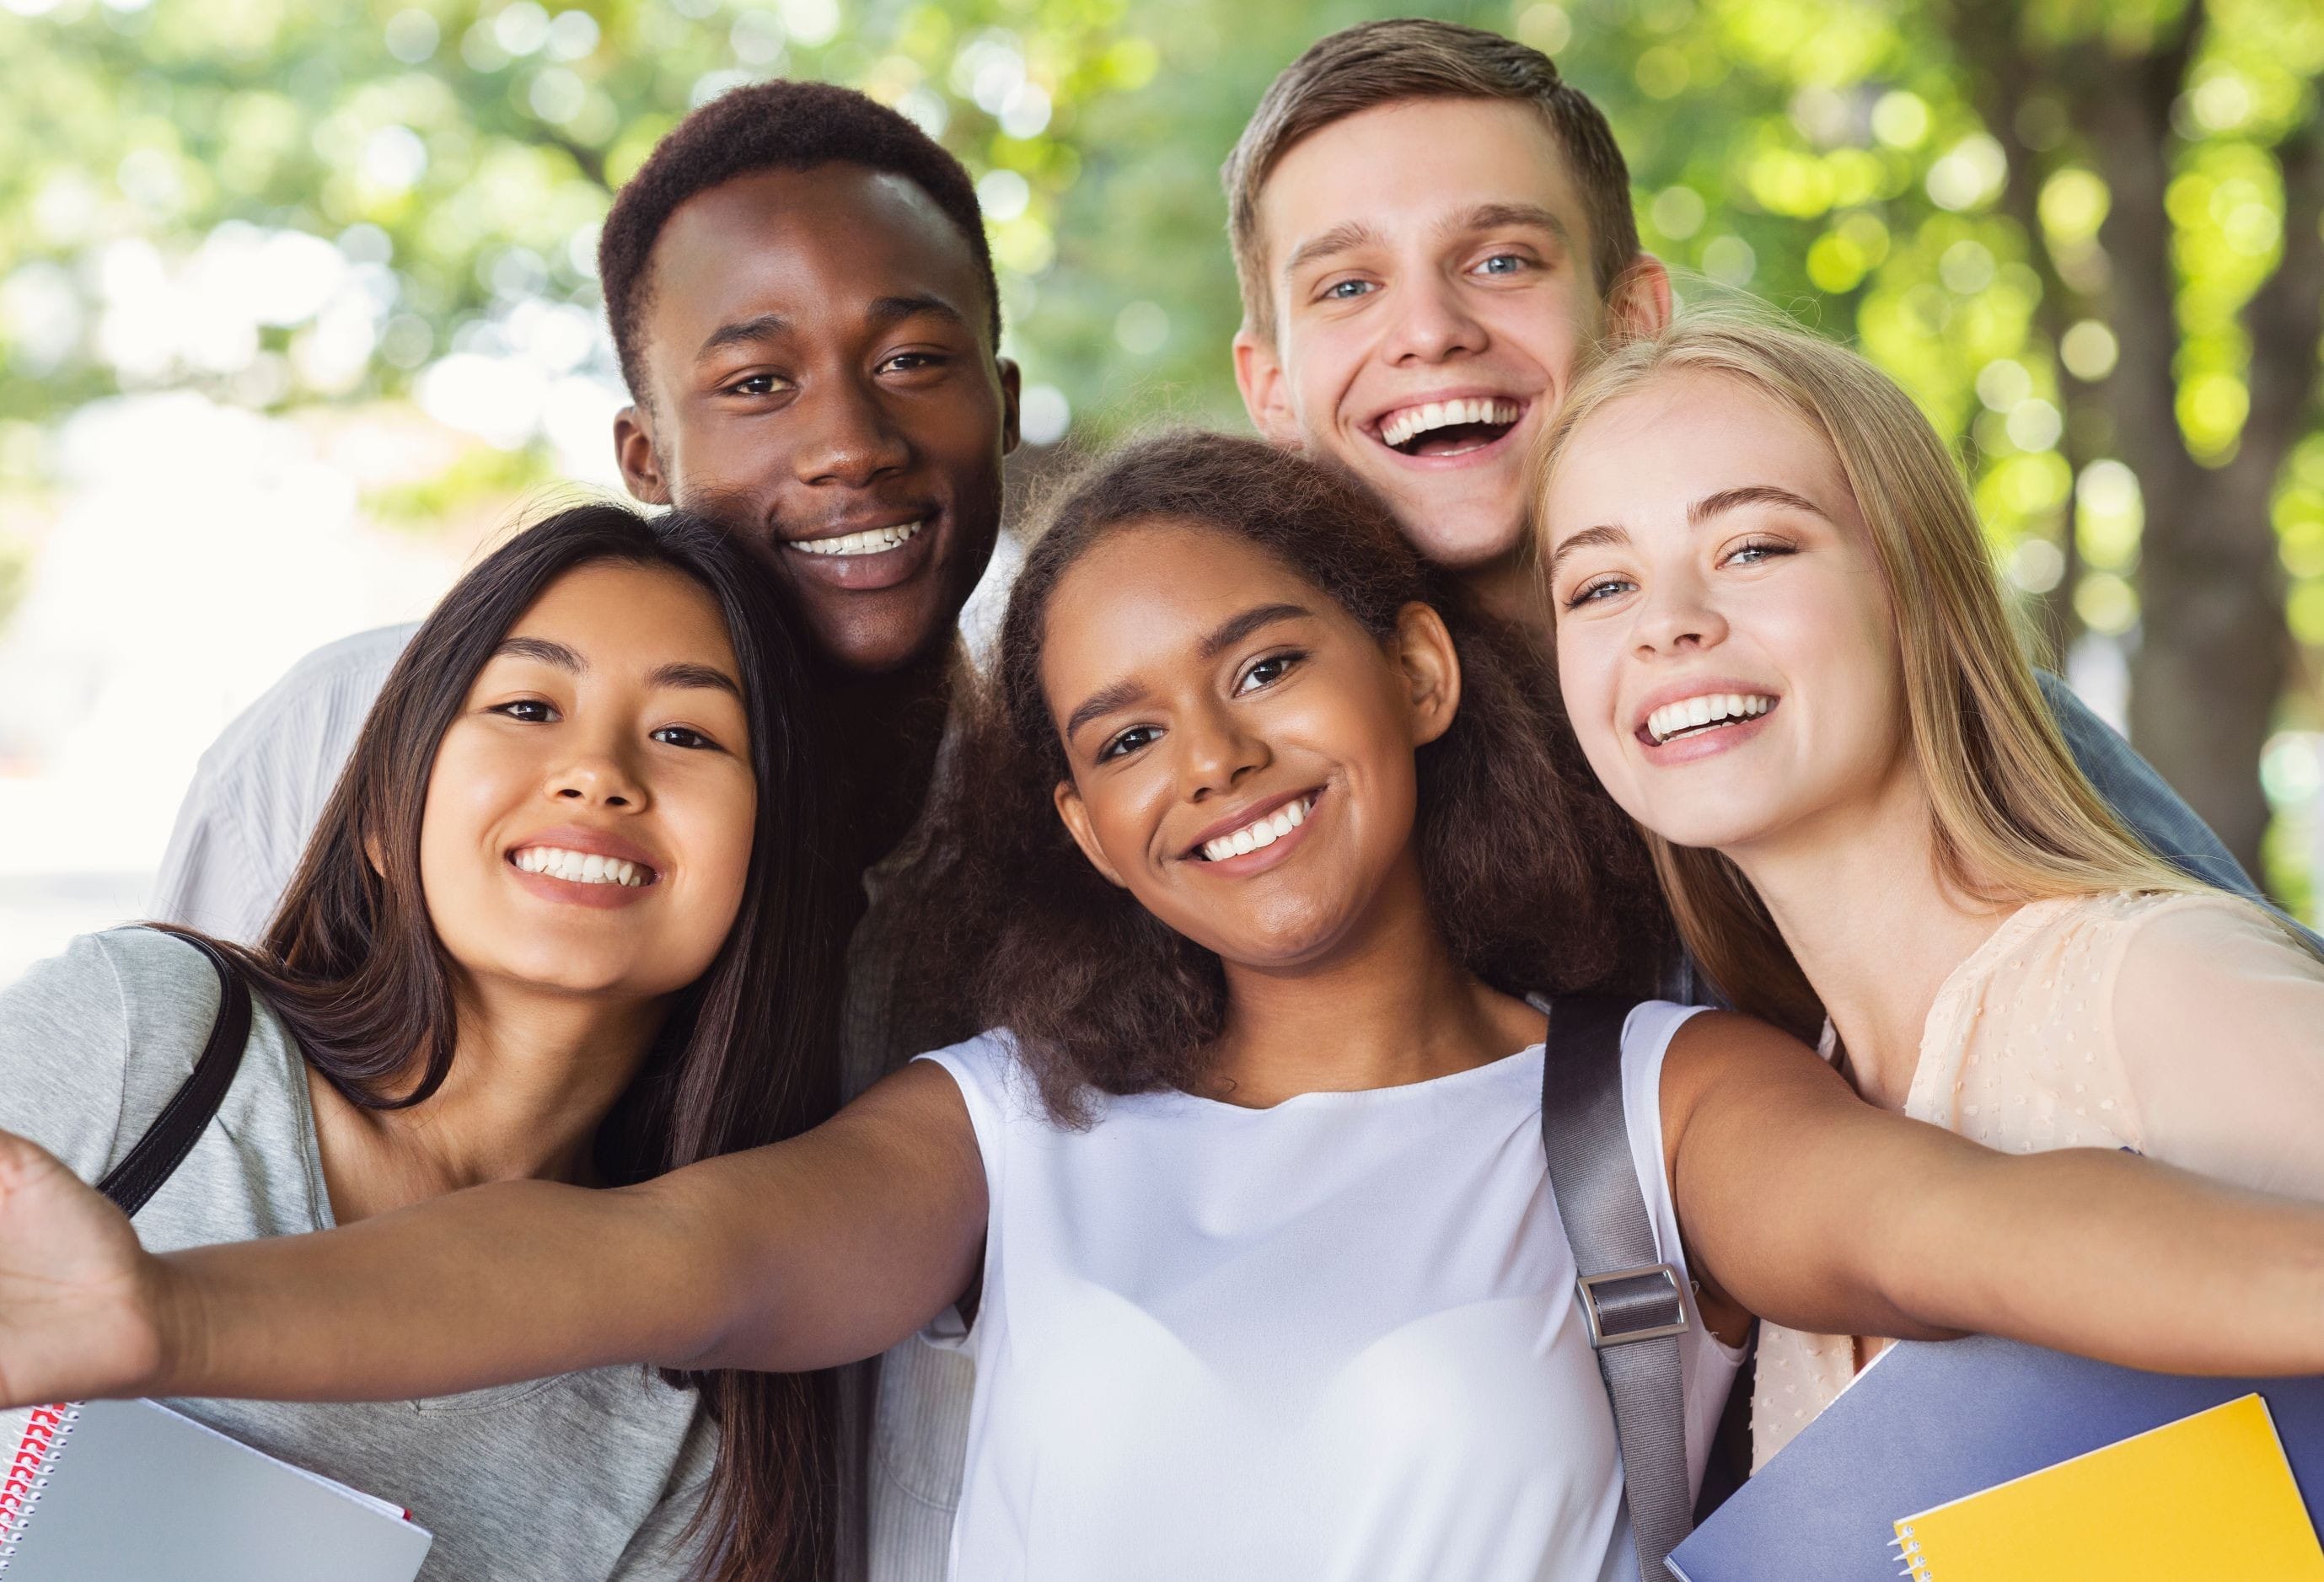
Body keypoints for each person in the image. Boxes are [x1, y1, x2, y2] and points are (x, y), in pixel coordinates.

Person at [3, 434, 2322, 1582]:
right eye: (1116, 735)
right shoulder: (1002, 1128)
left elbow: (2027, 1239)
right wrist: (167, 1316)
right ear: (1085, 828)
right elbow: (644, 1259)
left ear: (1412, 670)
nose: (1202, 758)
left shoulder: (1644, 1098)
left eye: (1260, 666)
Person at [145, 81, 1019, 1576]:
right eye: (755, 383)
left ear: (1001, 400)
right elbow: (180, 1144)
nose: (851, 440)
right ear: (642, 453)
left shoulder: (1072, 850)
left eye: (915, 360)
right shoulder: (372, 738)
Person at [1220, 17, 2292, 923]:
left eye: (1502, 261)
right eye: (1348, 287)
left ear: (1631, 315)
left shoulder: (1910, 702)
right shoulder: (1276, 796)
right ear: (1271, 388)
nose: (1430, 330)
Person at [1532, 314, 2324, 1471]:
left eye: (1754, 548)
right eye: (1600, 584)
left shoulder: (2158, 986)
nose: (1669, 624)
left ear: (1913, 586)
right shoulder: (1797, 1101)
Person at [0, 503, 845, 1579]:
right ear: (386, 809)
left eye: (686, 733)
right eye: (531, 705)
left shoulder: (688, 1420)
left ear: (765, 857)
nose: (598, 773)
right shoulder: (150, 1034)